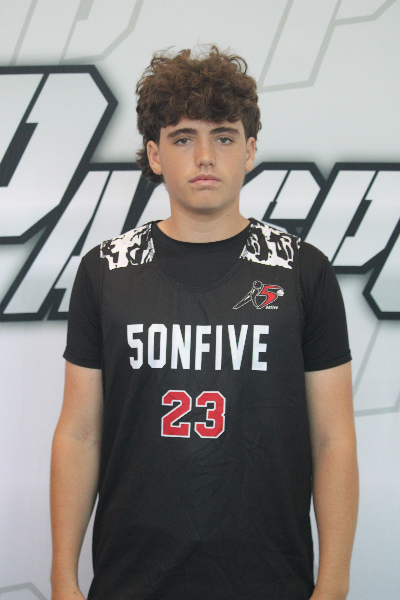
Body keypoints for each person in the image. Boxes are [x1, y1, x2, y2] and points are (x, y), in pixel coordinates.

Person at [50, 46, 358, 600]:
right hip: (131, 579)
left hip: (270, 580)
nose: (205, 156)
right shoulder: (106, 270)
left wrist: (333, 584)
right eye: (182, 138)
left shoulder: (301, 271)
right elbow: (80, 432)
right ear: (154, 155)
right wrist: (62, 579)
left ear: (251, 150)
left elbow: (333, 439)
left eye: (224, 136)